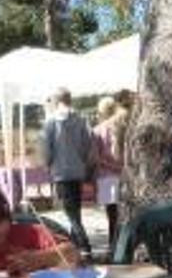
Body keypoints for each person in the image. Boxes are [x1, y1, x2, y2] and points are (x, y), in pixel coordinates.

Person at [42, 87, 95, 258]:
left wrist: (47, 164)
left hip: (60, 171)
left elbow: (46, 148)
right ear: (70, 99)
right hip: (77, 170)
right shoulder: (80, 119)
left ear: (57, 101)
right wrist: (81, 159)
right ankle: (76, 246)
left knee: (71, 213)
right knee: (75, 210)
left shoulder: (51, 121)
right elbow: (88, 143)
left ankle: (85, 246)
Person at [93, 96, 124, 252]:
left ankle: (113, 246)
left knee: (112, 215)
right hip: (125, 176)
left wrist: (110, 165)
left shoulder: (98, 130)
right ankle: (122, 244)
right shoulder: (124, 125)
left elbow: (96, 158)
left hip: (107, 177)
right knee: (123, 214)